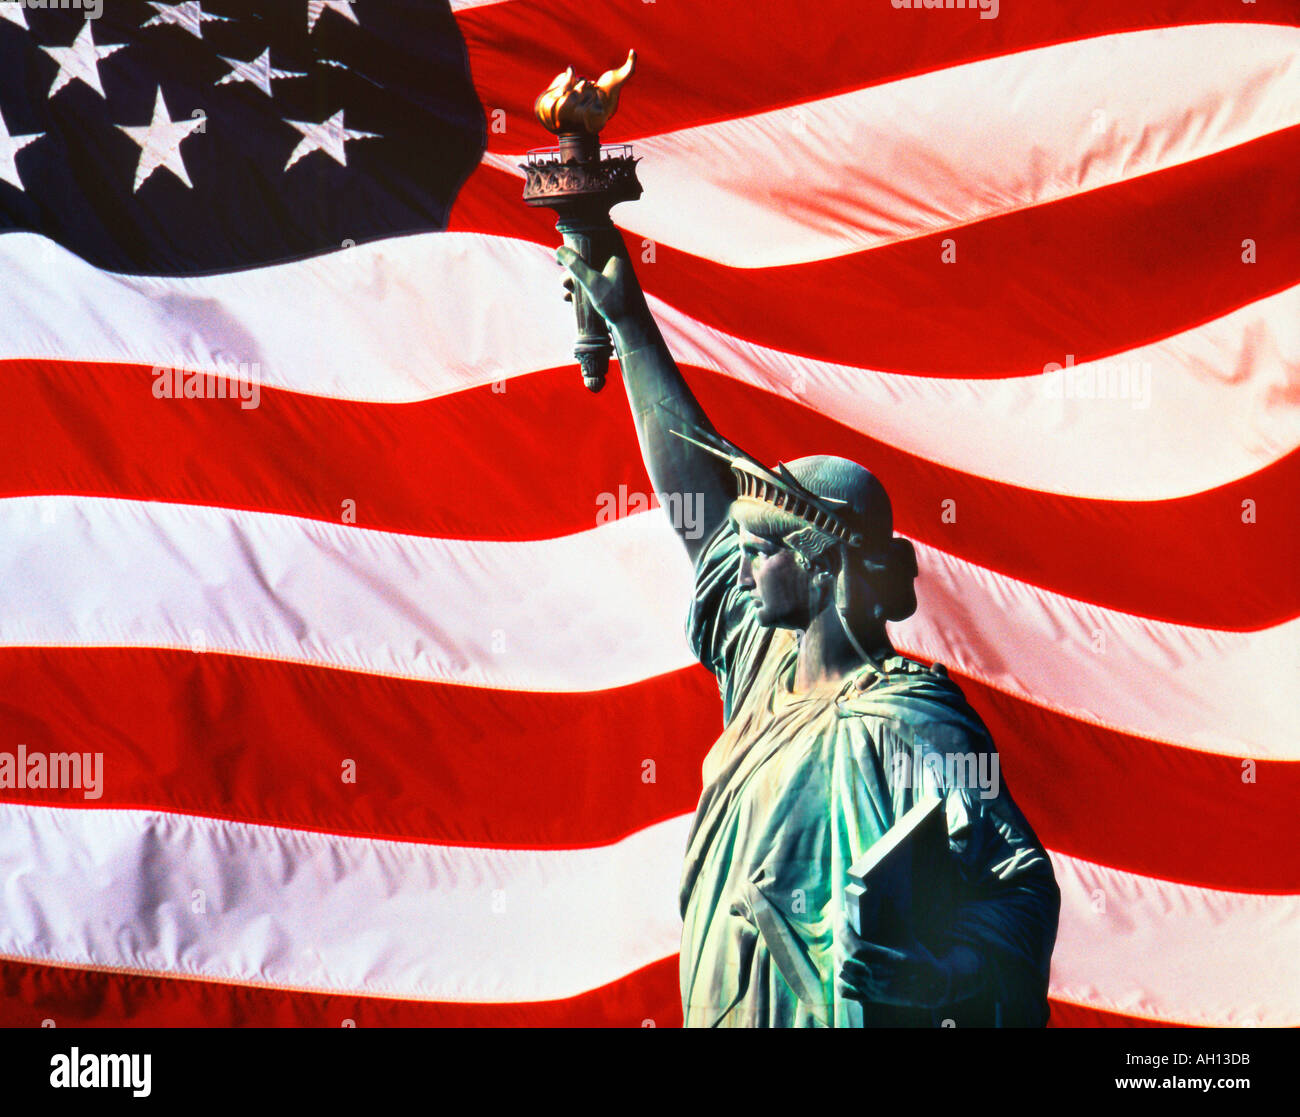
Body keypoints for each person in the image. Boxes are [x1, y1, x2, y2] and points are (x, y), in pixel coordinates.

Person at [557, 241, 1060, 1028]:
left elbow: (1020, 885)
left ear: (820, 564)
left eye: (763, 554)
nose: (742, 567)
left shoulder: (913, 719)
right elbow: (701, 503)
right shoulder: (761, 672)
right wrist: (629, 324)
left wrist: (939, 973)